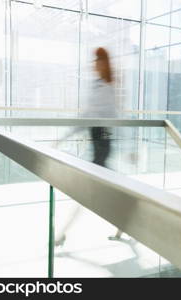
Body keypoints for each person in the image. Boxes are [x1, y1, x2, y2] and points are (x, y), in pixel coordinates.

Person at [55, 47, 121, 246]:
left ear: (104, 63)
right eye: (94, 60)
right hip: (99, 142)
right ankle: (122, 226)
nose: (94, 64)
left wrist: (65, 135)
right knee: (107, 192)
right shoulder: (99, 84)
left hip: (102, 143)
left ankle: (62, 233)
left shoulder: (106, 87)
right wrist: (67, 135)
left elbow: (101, 115)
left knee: (86, 192)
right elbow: (89, 115)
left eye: (98, 60)